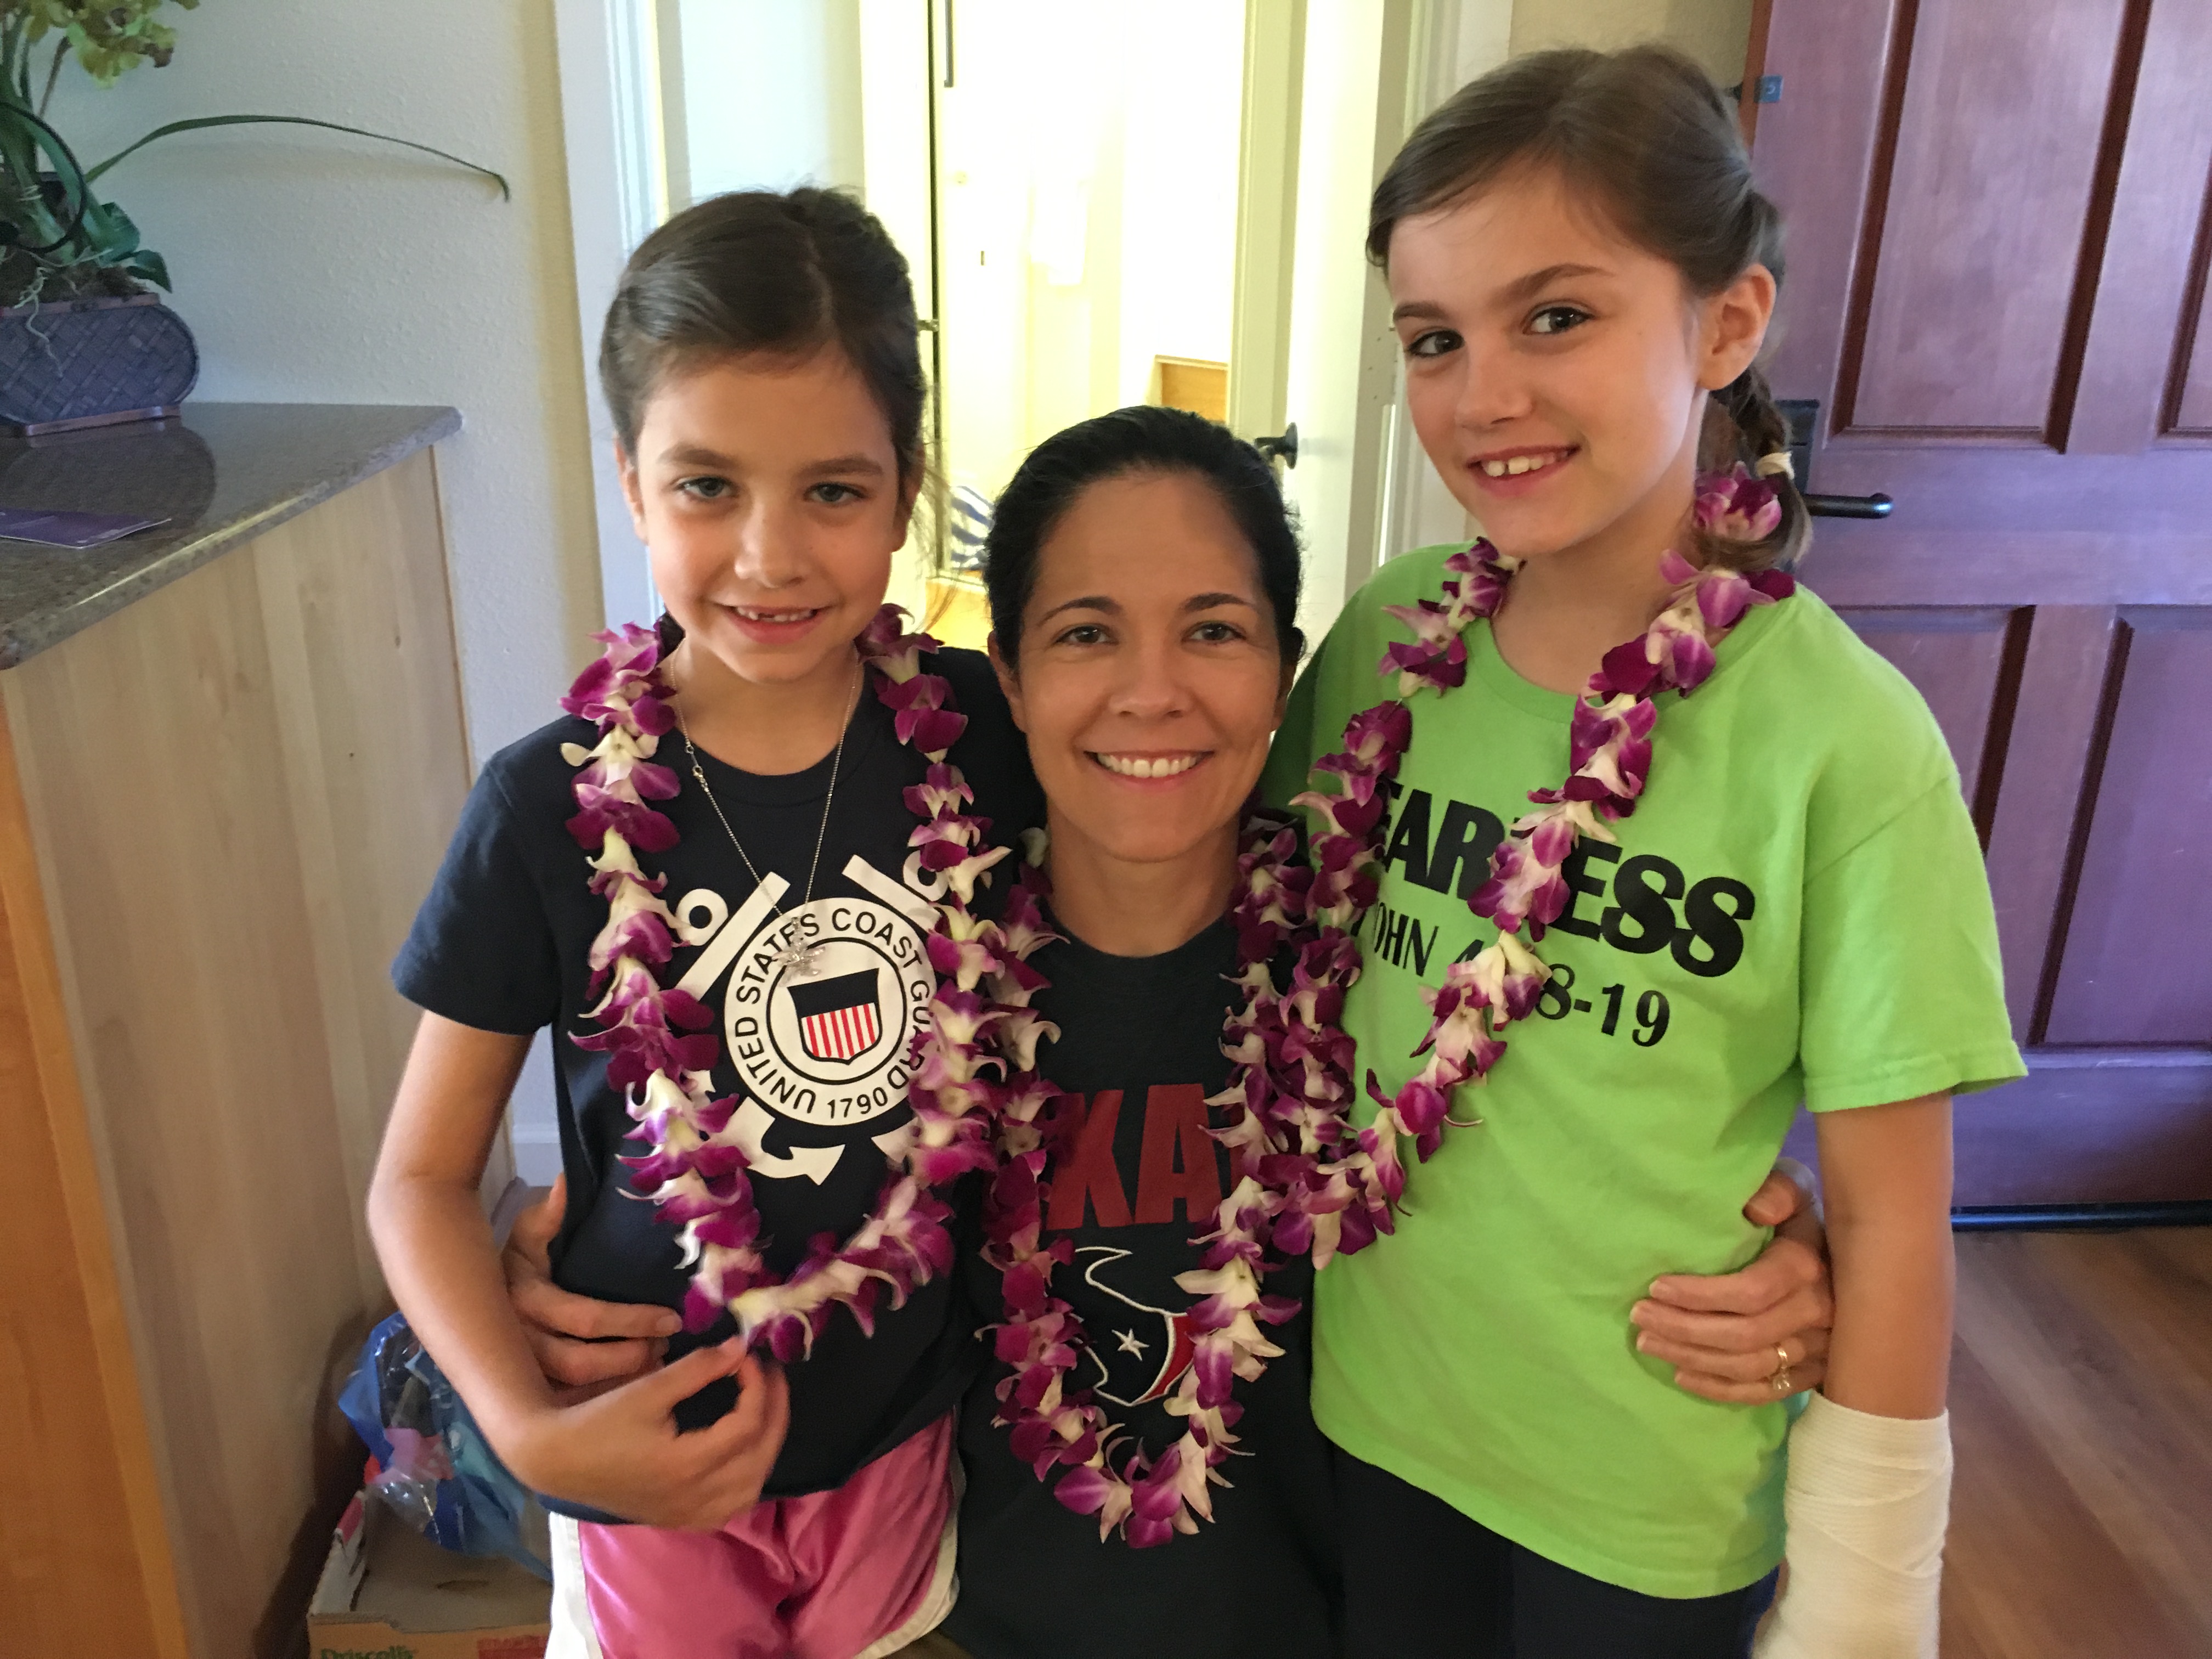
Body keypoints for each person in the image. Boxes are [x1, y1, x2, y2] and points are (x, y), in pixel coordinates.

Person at [499, 405, 1838, 1659]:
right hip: (956, 1629)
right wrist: (560, 1291)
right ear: (1006, 676)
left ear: (1285, 670)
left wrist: (1765, 1242)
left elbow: (1579, 1135)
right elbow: (757, 1192)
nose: (1153, 693)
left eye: (1213, 630)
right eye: (1086, 633)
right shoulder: (925, 976)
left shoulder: (1375, 961)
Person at [1260, 46, 2025, 1659]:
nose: (1485, 395)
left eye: (1556, 316)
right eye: (1433, 339)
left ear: (1726, 325)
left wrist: (1864, 1606)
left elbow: (1896, 1224)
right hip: (1377, 1413)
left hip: (1648, 1488)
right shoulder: (1389, 641)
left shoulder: (1849, 748)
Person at [367, 188, 1041, 1659]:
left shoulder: (986, 737)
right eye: (707, 487)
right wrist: (525, 1430)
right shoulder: (544, 806)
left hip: (896, 1438)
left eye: (834, 491)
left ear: (908, 491)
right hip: (643, 1445)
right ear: (631, 483)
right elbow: (417, 1181)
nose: (770, 556)